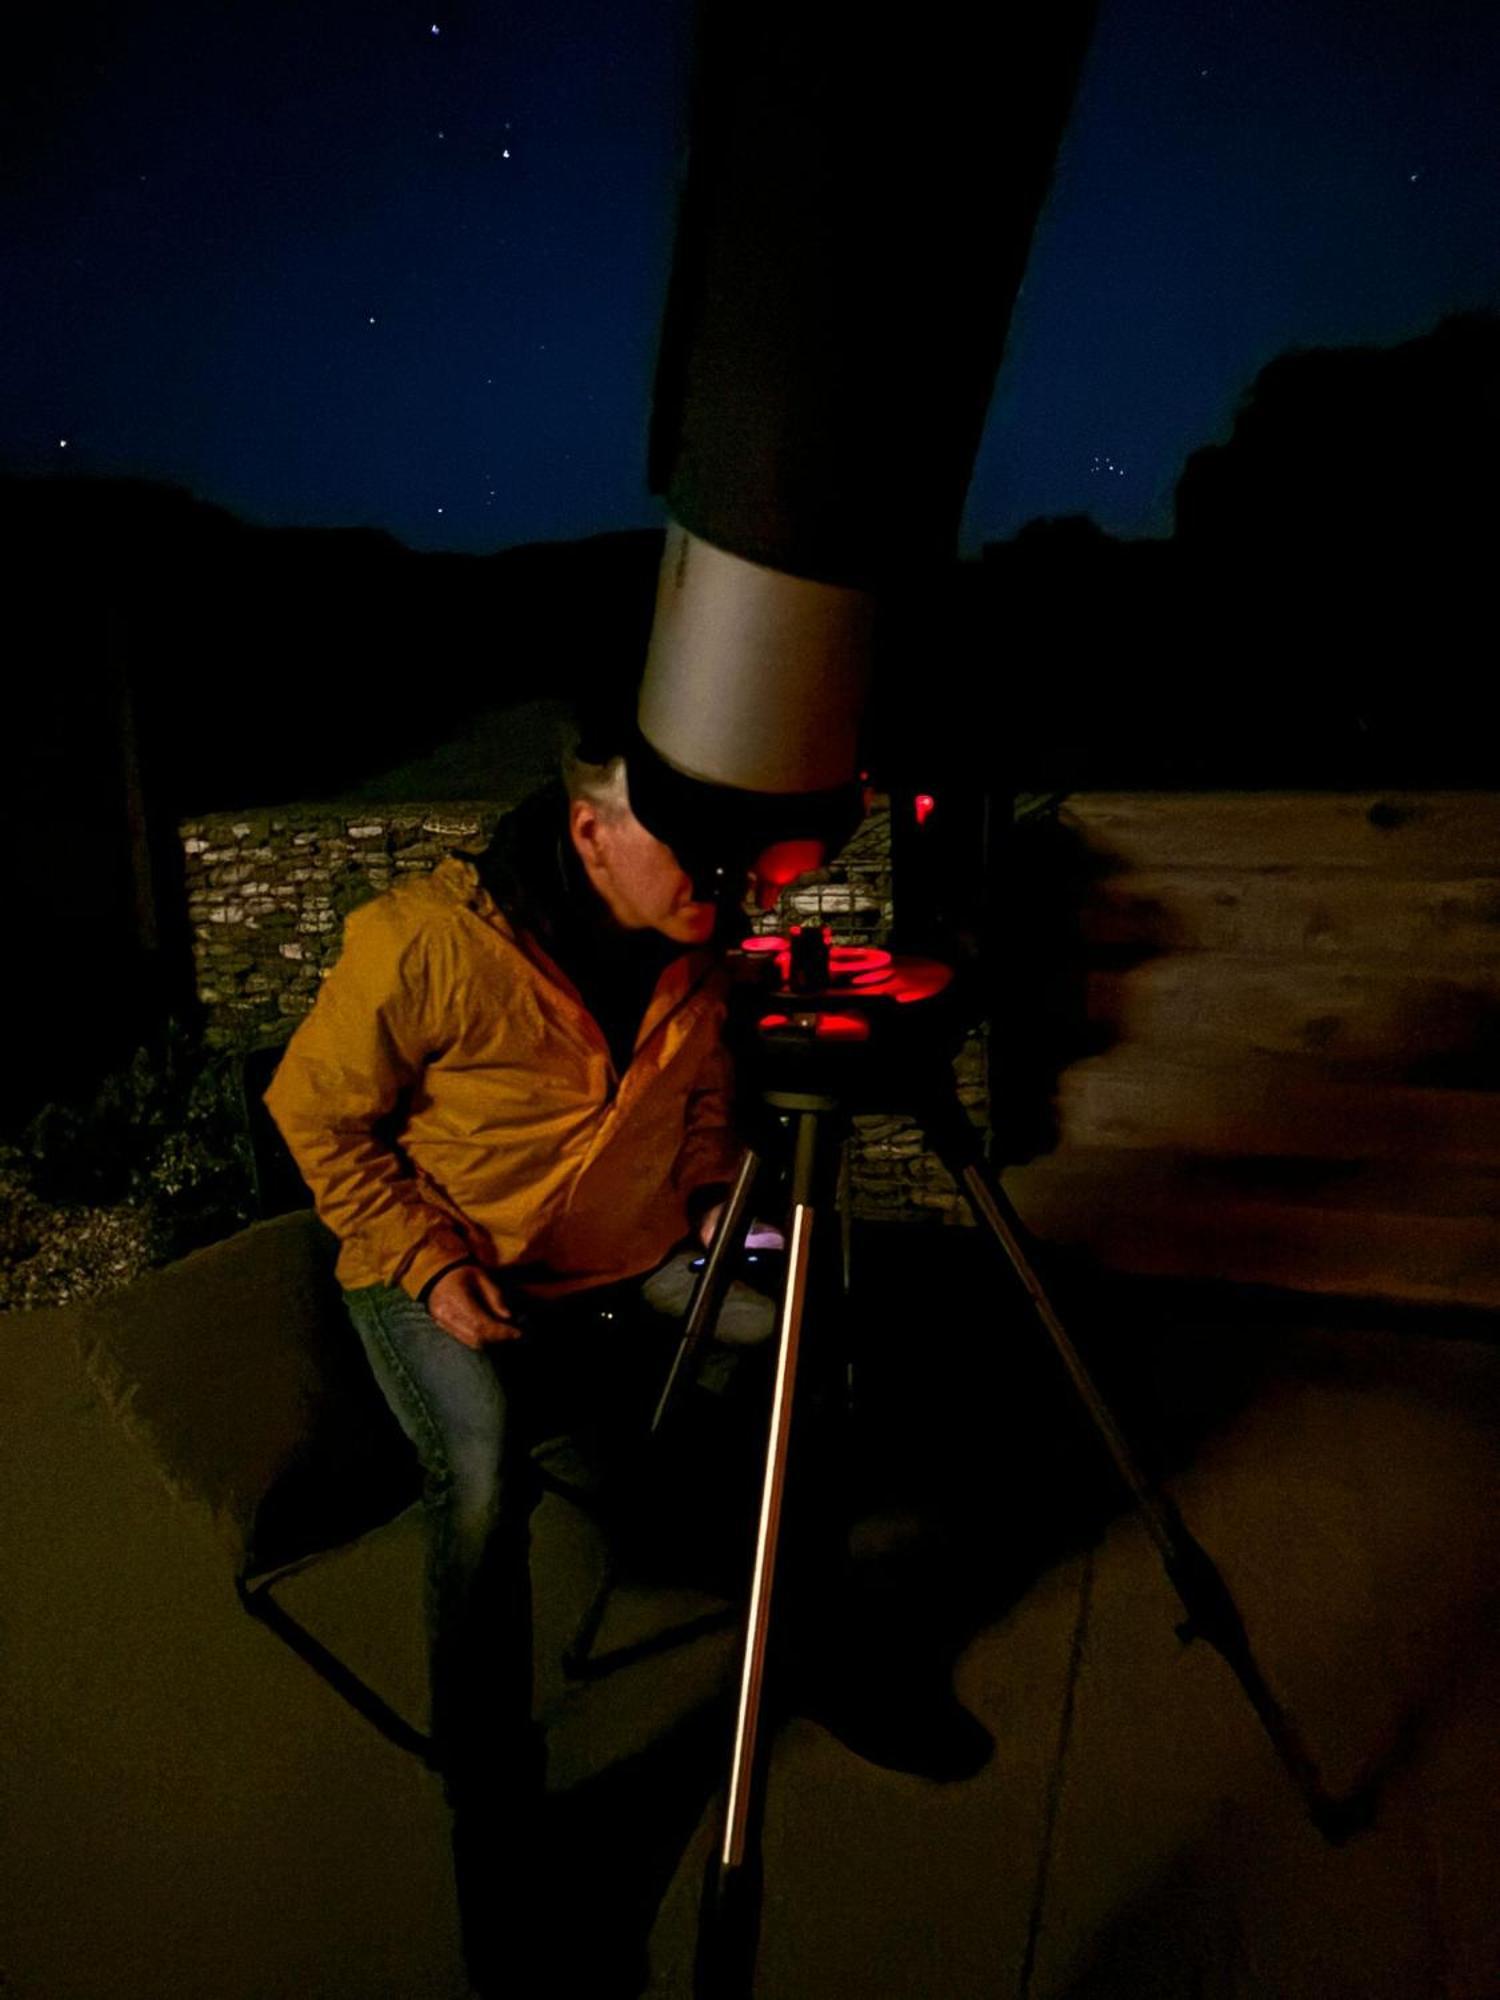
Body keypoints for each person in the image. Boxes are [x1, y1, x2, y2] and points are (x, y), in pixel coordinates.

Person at [264, 730, 772, 1994]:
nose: (718, 869)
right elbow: (314, 1112)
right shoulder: (429, 940)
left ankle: (797, 1628)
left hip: (627, 1252)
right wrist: (427, 1261)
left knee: (802, 1337)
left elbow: (707, 1096)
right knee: (482, 1469)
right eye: (683, 840)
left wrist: (712, 1198)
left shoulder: (699, 941)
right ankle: (490, 1803)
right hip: (445, 1263)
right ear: (592, 829)